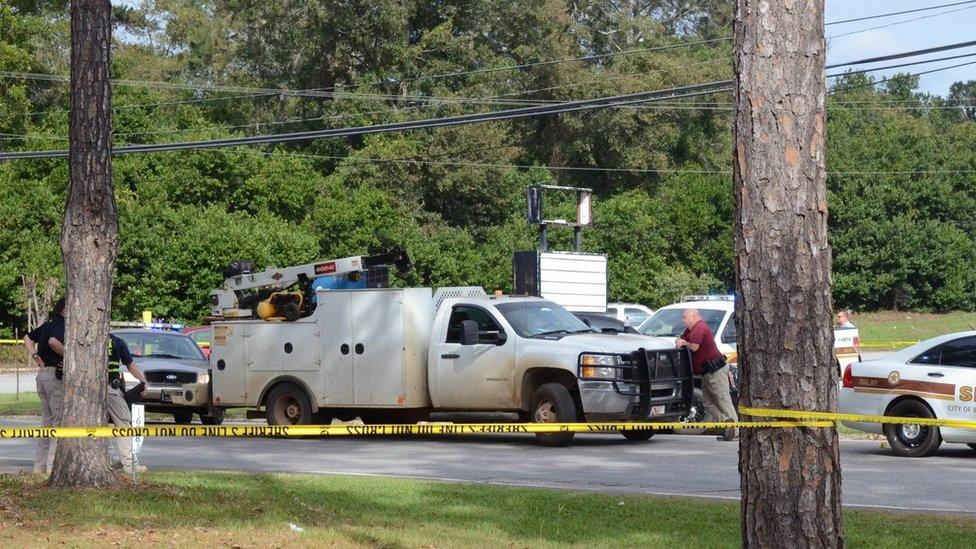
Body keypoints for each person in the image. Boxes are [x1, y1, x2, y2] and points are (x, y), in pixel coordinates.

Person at [49, 330, 149, 474]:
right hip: (111, 390)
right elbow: (131, 366)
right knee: (123, 423)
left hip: (88, 391)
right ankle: (129, 465)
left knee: (96, 426)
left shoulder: (87, 342)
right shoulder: (117, 342)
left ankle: (110, 459)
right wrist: (143, 381)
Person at [675, 308, 738, 441]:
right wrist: (680, 341)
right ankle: (727, 423)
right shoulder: (690, 330)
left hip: (716, 371)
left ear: (692, 317)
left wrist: (684, 343)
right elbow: (681, 338)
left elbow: (694, 347)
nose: (683, 321)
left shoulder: (700, 327)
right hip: (706, 373)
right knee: (707, 402)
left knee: (723, 401)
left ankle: (736, 431)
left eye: (684, 318)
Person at [22, 298, 65, 474]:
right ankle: (52, 467)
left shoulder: (48, 324)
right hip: (54, 376)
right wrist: (71, 355)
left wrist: (34, 355)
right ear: (65, 309)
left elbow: (27, 337)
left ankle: (39, 467)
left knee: (46, 423)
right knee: (58, 421)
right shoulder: (62, 324)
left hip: (42, 375)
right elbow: (53, 342)